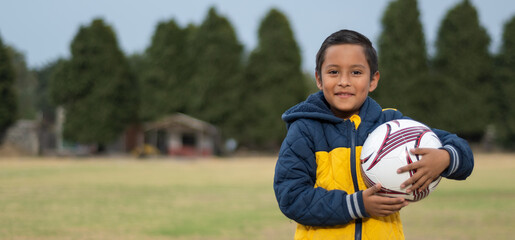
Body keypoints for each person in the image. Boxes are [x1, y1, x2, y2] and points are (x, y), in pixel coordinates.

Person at [273, 29, 474, 240]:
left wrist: (445, 158)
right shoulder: (305, 129)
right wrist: (357, 205)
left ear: (373, 80)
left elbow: (464, 156)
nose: (344, 81)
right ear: (319, 79)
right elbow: (291, 197)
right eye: (333, 72)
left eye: (356, 72)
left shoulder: (392, 126)